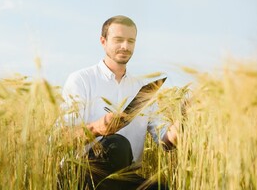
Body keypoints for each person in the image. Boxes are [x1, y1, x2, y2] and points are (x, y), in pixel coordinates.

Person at [61, 15, 179, 190]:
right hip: (82, 177)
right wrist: (96, 128)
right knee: (117, 145)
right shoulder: (81, 80)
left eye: (131, 41)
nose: (125, 46)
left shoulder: (144, 89)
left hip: (123, 178)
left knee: (161, 188)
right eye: (118, 40)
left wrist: (180, 126)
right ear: (103, 41)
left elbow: (165, 143)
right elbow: (61, 139)